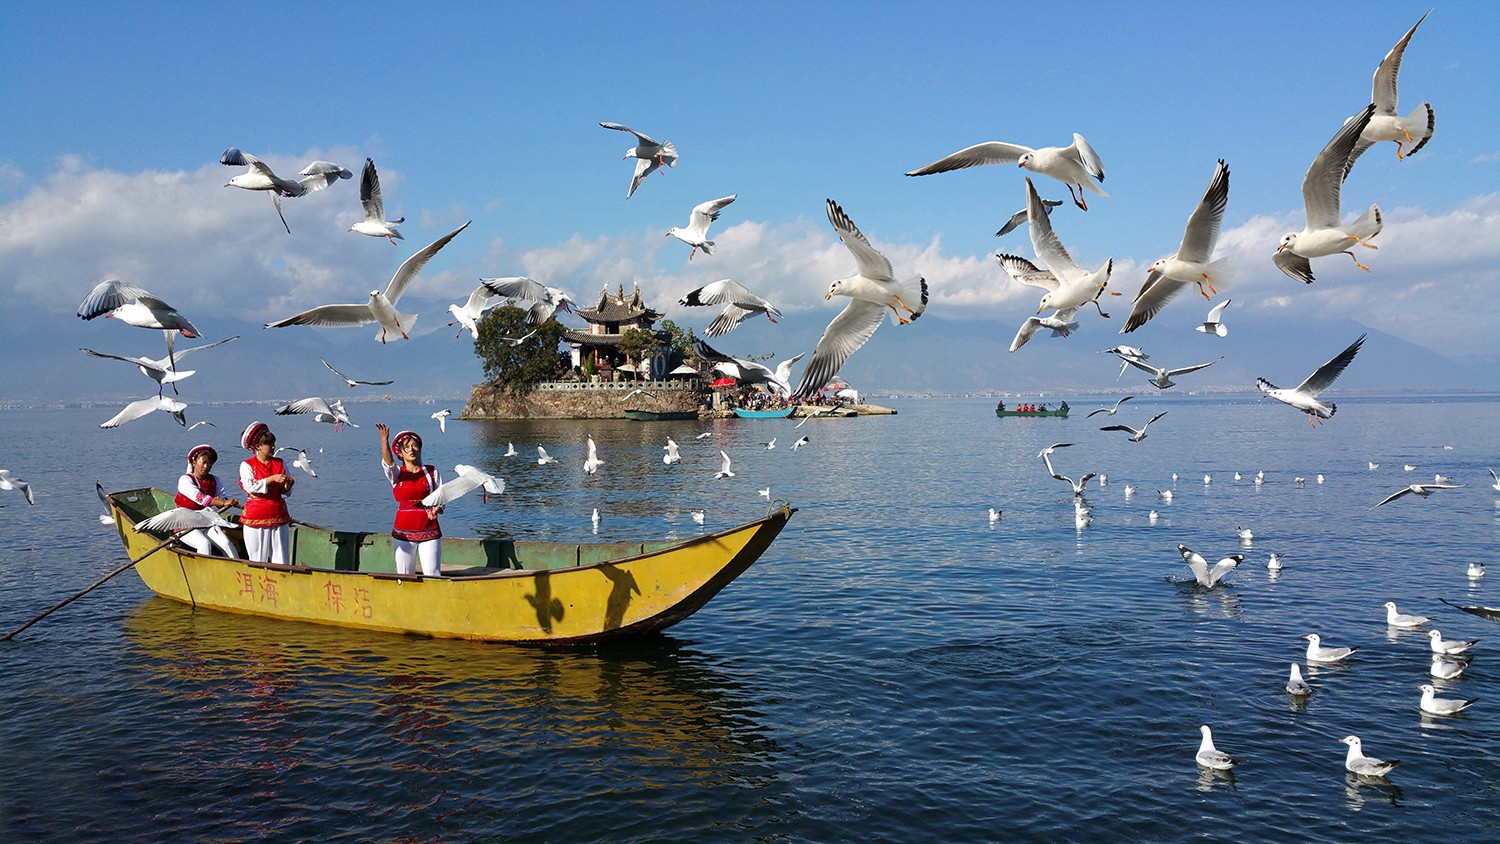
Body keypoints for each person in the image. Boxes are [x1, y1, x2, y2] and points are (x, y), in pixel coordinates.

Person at [377, 424, 444, 576]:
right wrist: (384, 440)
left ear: (420, 448)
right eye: (406, 447)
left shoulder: (432, 472)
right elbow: (388, 463)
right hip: (404, 532)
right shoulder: (397, 474)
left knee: (433, 573)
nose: (411, 449)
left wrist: (438, 508)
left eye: (414, 445)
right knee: (405, 574)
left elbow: (442, 495)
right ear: (400, 453)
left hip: (429, 529)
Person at [238, 421, 294, 564]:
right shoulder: (247, 465)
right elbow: (250, 486)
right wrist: (271, 479)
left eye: (273, 443)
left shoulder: (280, 463)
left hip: (278, 513)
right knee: (257, 558)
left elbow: (286, 491)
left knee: (280, 557)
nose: (273, 447)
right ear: (258, 447)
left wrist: (287, 486)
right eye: (269, 444)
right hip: (256, 515)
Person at [175, 444, 240, 557]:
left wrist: (229, 502)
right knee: (204, 544)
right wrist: (224, 502)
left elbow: (221, 501)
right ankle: (202, 572)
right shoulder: (185, 480)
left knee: (226, 543)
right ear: (194, 463)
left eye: (209, 464)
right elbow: (200, 498)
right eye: (203, 462)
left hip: (206, 522)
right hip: (185, 524)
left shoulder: (215, 480)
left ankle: (237, 568)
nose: (206, 466)